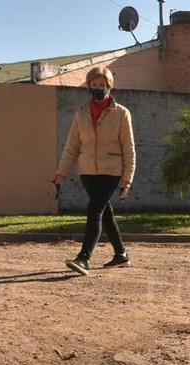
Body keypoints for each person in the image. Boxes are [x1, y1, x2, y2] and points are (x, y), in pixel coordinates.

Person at [52, 66, 136, 275]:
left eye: (102, 84)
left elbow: (129, 148)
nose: (98, 88)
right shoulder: (81, 113)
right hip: (87, 172)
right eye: (94, 84)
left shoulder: (121, 113)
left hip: (111, 171)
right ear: (88, 86)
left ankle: (84, 258)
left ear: (109, 86)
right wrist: (61, 172)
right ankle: (121, 255)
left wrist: (127, 179)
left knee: (94, 210)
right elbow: (72, 146)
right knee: (104, 213)